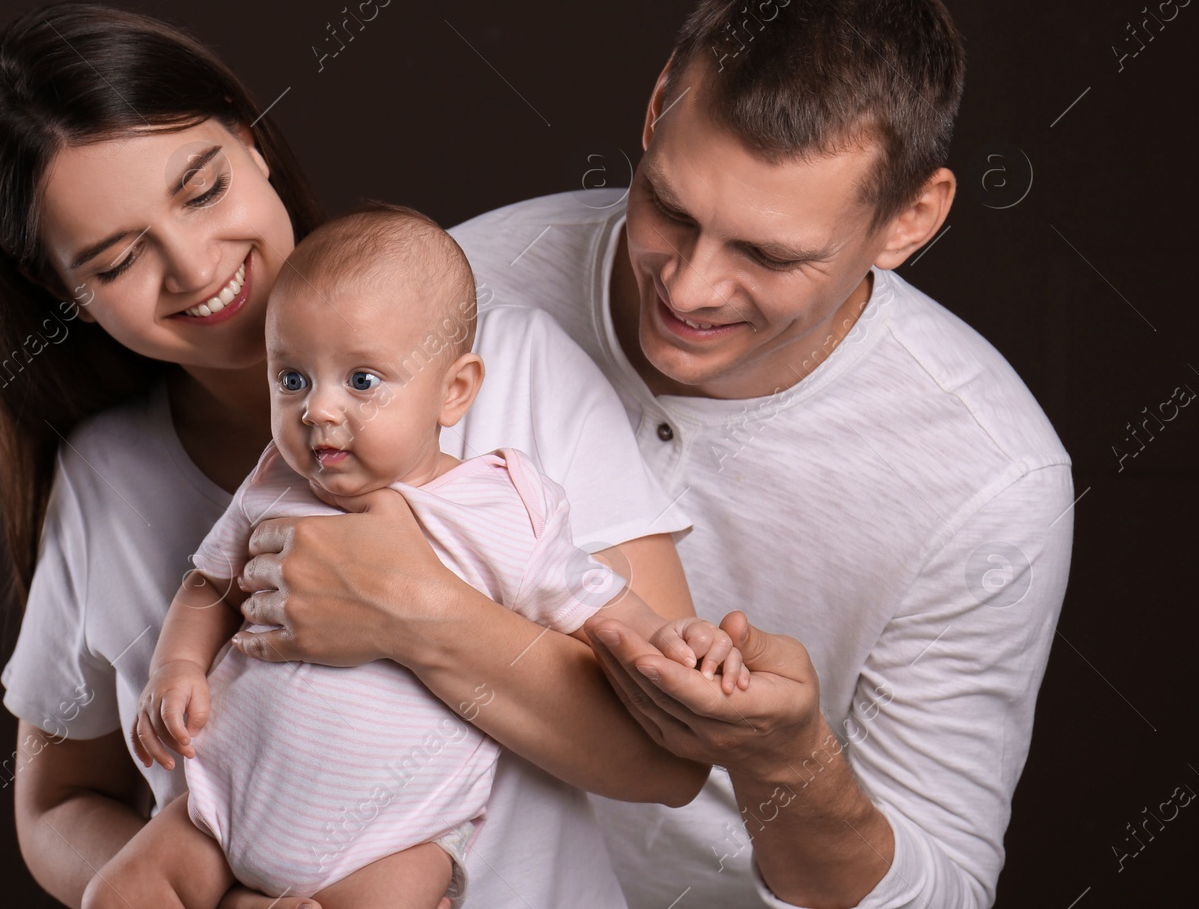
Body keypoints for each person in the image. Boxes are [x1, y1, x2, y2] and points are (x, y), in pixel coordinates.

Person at [230, 0, 1073, 908]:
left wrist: (791, 761)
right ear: (658, 100)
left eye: (767, 253)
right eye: (667, 206)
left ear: (910, 222)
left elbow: (945, 897)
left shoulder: (992, 477)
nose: (688, 284)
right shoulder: (458, 290)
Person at [0, 3, 725, 909]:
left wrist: (409, 610)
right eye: (116, 260)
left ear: (250, 138)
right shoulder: (102, 473)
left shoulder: (513, 369)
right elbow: (55, 803)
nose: (194, 266)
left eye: (202, 189)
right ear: (59, 288)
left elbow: (670, 759)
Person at [120, 207, 748, 908]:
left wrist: (676, 640)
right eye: (291, 379)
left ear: (454, 390)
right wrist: (174, 666)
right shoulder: (273, 481)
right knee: (115, 892)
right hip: (216, 806)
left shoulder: (497, 506)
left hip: (390, 842)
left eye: (361, 381)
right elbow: (208, 584)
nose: (317, 411)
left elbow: (599, 604)